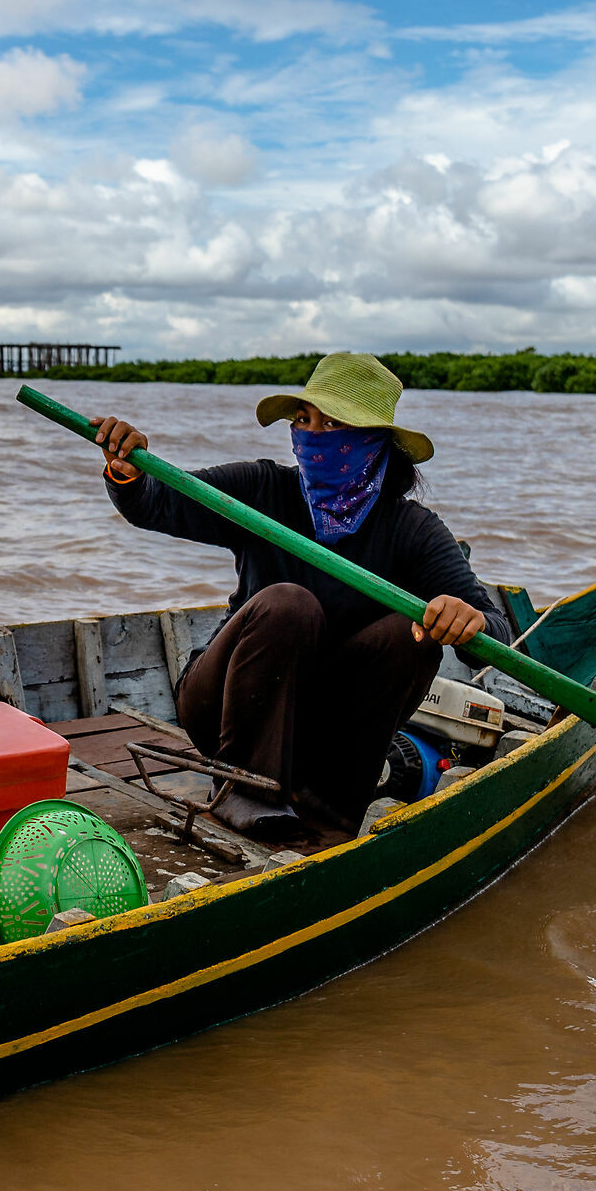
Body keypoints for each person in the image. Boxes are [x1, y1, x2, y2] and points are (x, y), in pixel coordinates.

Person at [91, 351, 511, 840]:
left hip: (323, 732)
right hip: (229, 707)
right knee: (289, 604)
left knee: (410, 634)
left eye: (332, 425)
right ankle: (244, 791)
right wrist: (129, 469)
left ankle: (330, 812)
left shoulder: (411, 530)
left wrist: (467, 620)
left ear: (371, 443)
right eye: (304, 420)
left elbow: (494, 627)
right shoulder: (265, 489)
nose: (311, 436)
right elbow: (159, 503)